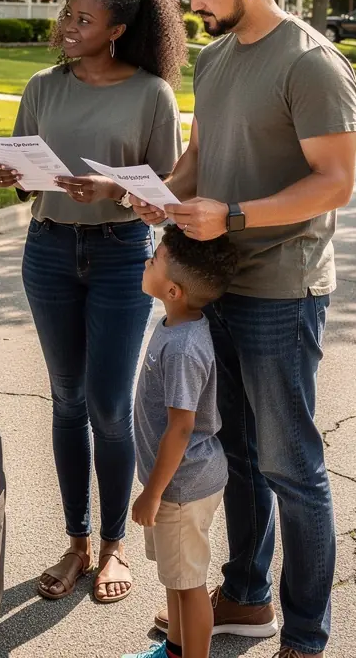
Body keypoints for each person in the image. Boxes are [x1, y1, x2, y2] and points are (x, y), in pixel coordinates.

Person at [134, 0, 356, 658]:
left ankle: (306, 636)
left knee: (290, 467)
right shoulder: (215, 57)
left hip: (282, 290)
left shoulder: (311, 64)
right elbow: (200, 157)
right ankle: (247, 597)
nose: (193, 4)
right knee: (234, 452)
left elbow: (335, 183)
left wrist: (230, 215)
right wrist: (160, 195)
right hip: (215, 284)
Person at [0, 0, 187, 605]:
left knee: (107, 404)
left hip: (120, 255)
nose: (68, 27)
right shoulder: (43, 85)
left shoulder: (152, 93)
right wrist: (8, 174)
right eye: (67, 15)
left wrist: (114, 190)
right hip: (48, 250)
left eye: (83, 20)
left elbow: (167, 193)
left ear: (117, 31)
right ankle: (76, 543)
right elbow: (24, 174)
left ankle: (113, 544)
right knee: (67, 399)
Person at [125, 225, 239, 658]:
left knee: (190, 587)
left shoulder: (183, 348)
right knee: (175, 580)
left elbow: (181, 428)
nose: (147, 261)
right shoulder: (174, 323)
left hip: (180, 487)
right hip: (175, 482)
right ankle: (173, 650)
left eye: (154, 259)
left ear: (173, 290)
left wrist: (153, 493)